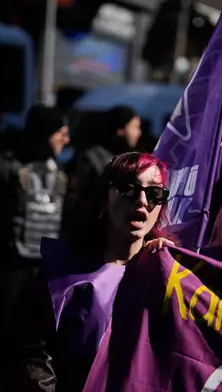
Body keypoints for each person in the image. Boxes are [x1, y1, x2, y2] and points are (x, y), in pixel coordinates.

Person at [41, 152, 175, 391]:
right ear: (104, 198)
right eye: (128, 188)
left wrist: (171, 273)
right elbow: (37, 358)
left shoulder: (173, 276)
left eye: (155, 193)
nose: (142, 200)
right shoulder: (60, 272)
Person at [0, 104, 70, 392]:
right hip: (10, 269)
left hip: (42, 271)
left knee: (32, 343)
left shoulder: (59, 172)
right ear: (44, 134)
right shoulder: (11, 168)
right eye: (61, 133)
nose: (66, 140)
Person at [63, 106, 142, 237]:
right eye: (134, 127)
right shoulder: (91, 159)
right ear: (120, 130)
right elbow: (77, 201)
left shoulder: (124, 159)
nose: (138, 133)